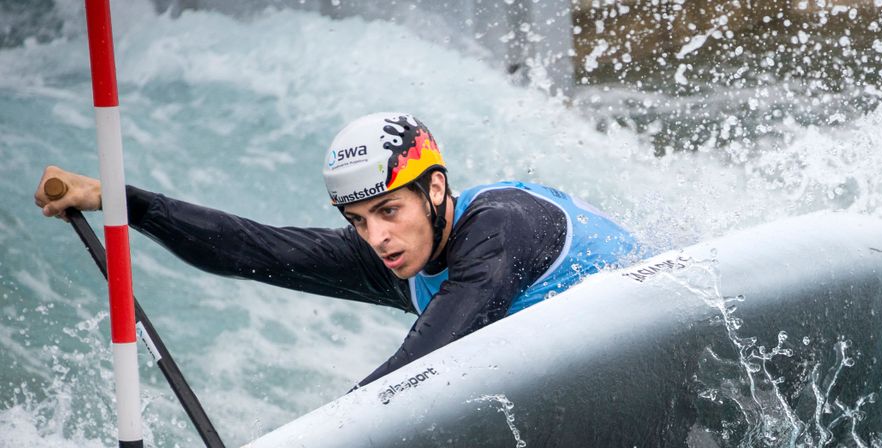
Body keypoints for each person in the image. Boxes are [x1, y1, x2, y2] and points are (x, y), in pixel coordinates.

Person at [35, 112, 649, 388]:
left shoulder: (500, 228)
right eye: (357, 221)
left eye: (389, 211)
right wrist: (120, 201)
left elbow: (432, 355)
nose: (376, 237)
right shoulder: (393, 256)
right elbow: (254, 249)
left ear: (435, 189)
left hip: (682, 343)